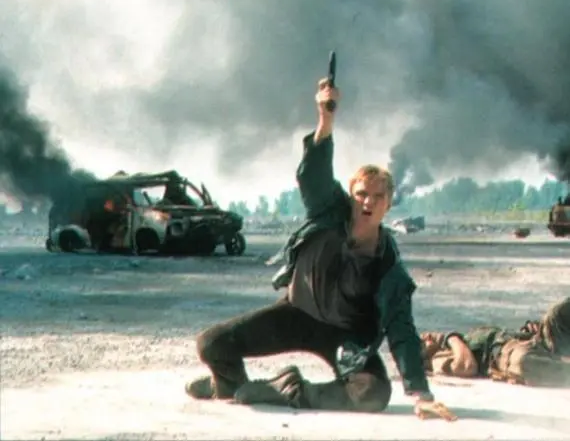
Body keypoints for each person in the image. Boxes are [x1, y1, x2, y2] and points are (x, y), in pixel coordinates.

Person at [184, 77, 456, 421]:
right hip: (295, 314)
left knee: (372, 393)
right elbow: (315, 176)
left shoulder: (389, 266)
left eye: (377, 197)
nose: (368, 202)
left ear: (388, 205)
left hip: (344, 337)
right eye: (361, 194)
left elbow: (402, 329)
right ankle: (228, 384)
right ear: (351, 196)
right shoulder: (328, 211)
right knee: (212, 344)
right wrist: (325, 119)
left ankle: (289, 389)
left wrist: (421, 394)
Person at [420, 297, 570, 386]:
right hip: (507, 356)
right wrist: (451, 338)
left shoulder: (459, 341)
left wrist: (528, 331)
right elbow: (466, 366)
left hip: (531, 340)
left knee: (557, 314)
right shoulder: (438, 359)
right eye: (422, 341)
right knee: (525, 362)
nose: (427, 336)